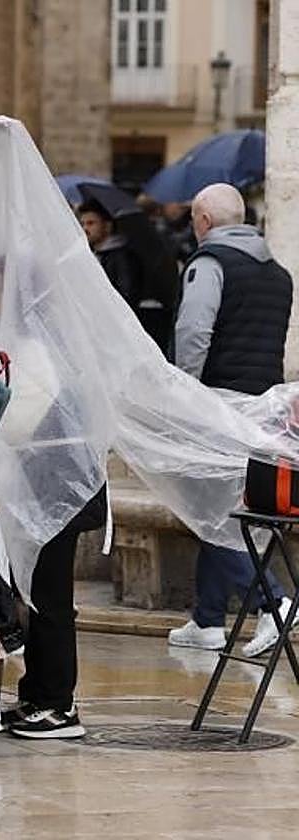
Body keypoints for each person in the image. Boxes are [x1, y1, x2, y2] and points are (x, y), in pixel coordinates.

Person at [168, 183, 294, 657]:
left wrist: (183, 400)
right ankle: (207, 619)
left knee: (213, 512)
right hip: (262, 409)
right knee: (219, 509)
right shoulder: (278, 273)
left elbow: (194, 335)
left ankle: (274, 603)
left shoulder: (209, 265)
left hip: (217, 404)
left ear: (203, 220)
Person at [2, 489, 106, 739]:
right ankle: (36, 695)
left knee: (50, 601)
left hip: (60, 502)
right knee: (34, 599)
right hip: (45, 501)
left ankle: (58, 704)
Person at [78, 198, 142, 310]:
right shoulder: (90, 253)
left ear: (107, 226)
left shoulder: (122, 258)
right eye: (82, 224)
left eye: (91, 223)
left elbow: (126, 295)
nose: (85, 228)